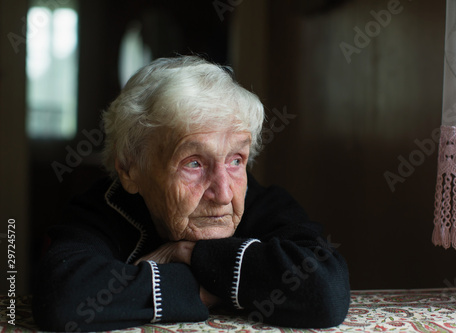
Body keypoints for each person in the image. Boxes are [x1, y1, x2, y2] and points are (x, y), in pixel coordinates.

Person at [32, 56, 350, 331]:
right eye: (194, 163)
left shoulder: (264, 202)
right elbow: (62, 297)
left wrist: (190, 254)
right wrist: (200, 286)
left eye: (236, 160)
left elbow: (325, 290)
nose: (224, 193)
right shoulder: (103, 208)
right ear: (130, 170)